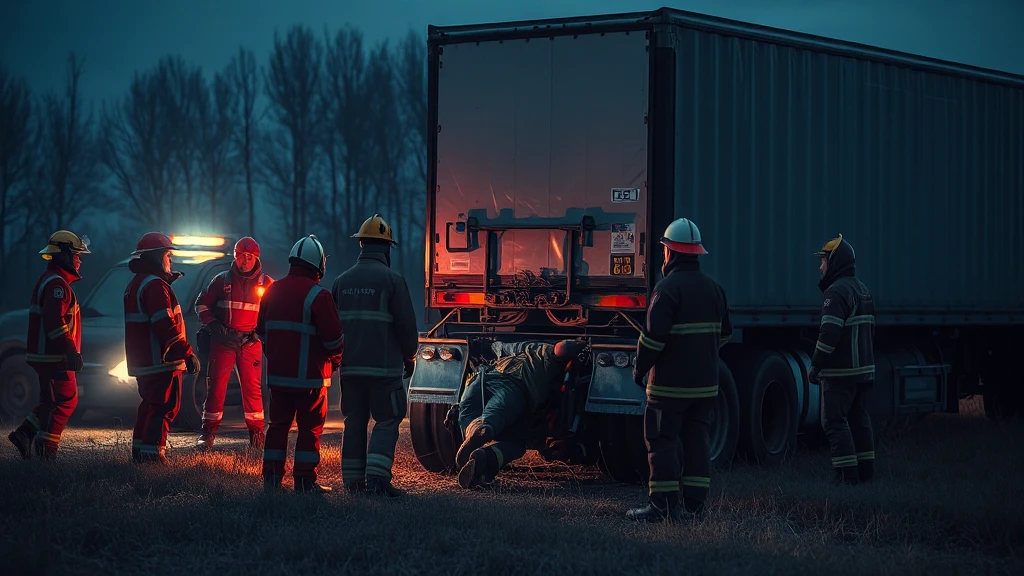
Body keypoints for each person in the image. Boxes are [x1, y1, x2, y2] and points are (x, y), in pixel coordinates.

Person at [627, 217, 732, 523]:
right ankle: (695, 507)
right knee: (698, 441)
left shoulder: (665, 290)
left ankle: (662, 507)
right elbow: (724, 335)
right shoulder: (715, 290)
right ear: (696, 253)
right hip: (705, 387)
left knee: (662, 442)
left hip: (668, 388)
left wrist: (638, 370)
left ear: (669, 253)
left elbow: (652, 341)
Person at [330, 214, 419, 497]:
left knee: (353, 420)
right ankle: (378, 480)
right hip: (383, 371)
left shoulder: (341, 282)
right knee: (388, 417)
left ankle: (353, 483)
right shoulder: (393, 280)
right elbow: (406, 326)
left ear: (361, 245)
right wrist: (409, 357)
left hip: (351, 369)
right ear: (386, 248)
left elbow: (331, 328)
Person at [256, 234, 344, 494]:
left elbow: (261, 332)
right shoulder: (319, 296)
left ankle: (271, 480)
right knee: (309, 430)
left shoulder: (271, 290)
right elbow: (335, 340)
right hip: (310, 380)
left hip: (278, 379)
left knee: (277, 427)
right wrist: (336, 362)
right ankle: (305, 482)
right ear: (318, 265)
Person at [455, 339, 587, 489]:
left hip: (481, 379)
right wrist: (583, 345)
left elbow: (492, 347)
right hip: (511, 388)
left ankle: (477, 447)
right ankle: (484, 445)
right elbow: (562, 348)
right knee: (514, 441)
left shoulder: (514, 346)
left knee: (467, 416)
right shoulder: (546, 354)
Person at [7, 231, 91, 460]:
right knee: (67, 400)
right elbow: (55, 321)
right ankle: (46, 452)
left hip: (47, 356)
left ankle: (25, 434)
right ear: (64, 255)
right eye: (76, 255)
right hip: (54, 357)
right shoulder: (57, 285)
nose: (80, 260)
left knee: (50, 402)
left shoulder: (51, 280)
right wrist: (69, 350)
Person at [123, 232, 202, 464]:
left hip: (145, 361)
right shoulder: (155, 286)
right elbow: (165, 325)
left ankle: (140, 453)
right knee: (164, 406)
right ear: (157, 257)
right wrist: (187, 353)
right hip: (161, 361)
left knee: (149, 406)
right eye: (168, 255)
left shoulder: (137, 283)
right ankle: (153, 457)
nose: (171, 260)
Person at [193, 236, 273, 451]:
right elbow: (201, 306)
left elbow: (274, 314)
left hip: (250, 342)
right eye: (240, 256)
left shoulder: (266, 284)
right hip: (223, 341)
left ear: (256, 258)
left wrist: (261, 333)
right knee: (216, 388)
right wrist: (214, 325)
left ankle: (257, 438)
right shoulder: (221, 281)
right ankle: (207, 434)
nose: (244, 261)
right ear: (235, 257)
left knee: (252, 391)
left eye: (249, 256)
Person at [808, 234, 876, 485]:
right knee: (860, 420)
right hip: (863, 371)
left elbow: (829, 334)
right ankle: (866, 476)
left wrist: (816, 364)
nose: (820, 267)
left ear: (835, 262)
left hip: (840, 373)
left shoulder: (835, 292)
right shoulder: (863, 290)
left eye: (824, 261)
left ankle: (846, 479)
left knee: (835, 422)